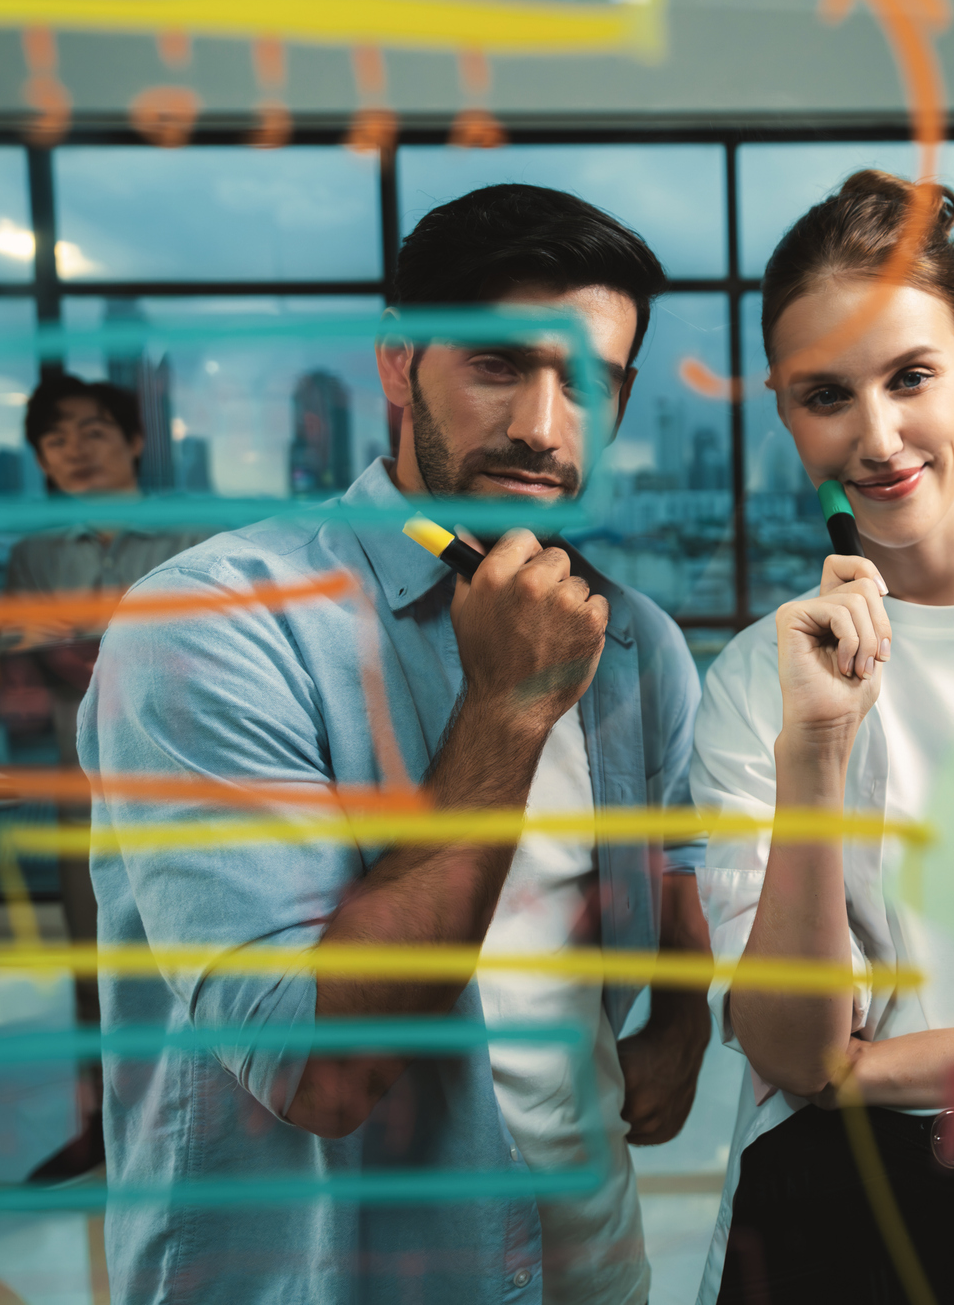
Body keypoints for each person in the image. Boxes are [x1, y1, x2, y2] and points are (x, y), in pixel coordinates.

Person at [81, 184, 711, 1305]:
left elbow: (671, 862)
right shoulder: (218, 624)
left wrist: (684, 1012)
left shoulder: (635, 645)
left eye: (589, 384)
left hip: (590, 1262)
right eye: (499, 367)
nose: (543, 427)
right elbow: (320, 1068)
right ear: (396, 364)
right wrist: (509, 707)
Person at [690, 171, 954, 1305]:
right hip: (832, 1220)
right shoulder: (756, 682)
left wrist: (862, 1070)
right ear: (781, 407)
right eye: (826, 396)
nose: (877, 438)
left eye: (910, 377)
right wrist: (814, 746)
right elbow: (786, 1045)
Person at [0, 374, 211, 1182]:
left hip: (187, 787)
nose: (75, 450)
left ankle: (211, 1135)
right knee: (96, 966)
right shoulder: (33, 555)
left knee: (203, 954)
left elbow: (201, 666)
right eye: (56, 440)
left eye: (92, 430)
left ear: (134, 441)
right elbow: (18, 699)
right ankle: (112, 1133)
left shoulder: (199, 536)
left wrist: (71, 652)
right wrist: (44, 659)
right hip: (77, 794)